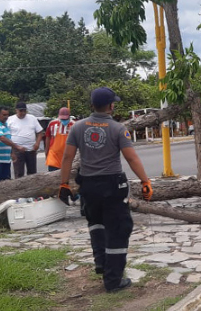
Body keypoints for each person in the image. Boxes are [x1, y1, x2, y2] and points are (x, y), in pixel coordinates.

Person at [59, 87, 153, 293]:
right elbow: (131, 158)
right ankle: (113, 280)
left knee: (96, 224)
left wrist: (64, 183)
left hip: (89, 186)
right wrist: (145, 181)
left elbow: (67, 157)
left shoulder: (78, 127)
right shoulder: (118, 129)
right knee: (118, 228)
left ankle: (101, 263)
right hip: (113, 185)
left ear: (92, 105)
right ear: (111, 106)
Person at [0, 106, 26, 182]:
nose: (6, 117)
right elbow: (2, 138)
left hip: (5, 159)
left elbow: (8, 139)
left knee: (5, 182)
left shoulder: (6, 125)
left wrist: (12, 153)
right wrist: (17, 146)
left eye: (7, 115)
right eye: (4, 115)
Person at [7, 102, 43, 178]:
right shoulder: (10, 120)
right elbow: (7, 137)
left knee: (32, 173)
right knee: (19, 173)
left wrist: (37, 143)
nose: (23, 113)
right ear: (16, 110)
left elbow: (40, 132)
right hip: (17, 150)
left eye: (24, 111)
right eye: (21, 111)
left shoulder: (32, 118)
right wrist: (11, 152)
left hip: (31, 149)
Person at [45, 107, 75, 171]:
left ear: (69, 116)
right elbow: (48, 137)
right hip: (53, 157)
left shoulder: (74, 125)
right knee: (53, 177)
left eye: (65, 119)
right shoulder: (52, 124)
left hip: (68, 157)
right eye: (62, 119)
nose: (64, 120)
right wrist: (46, 152)